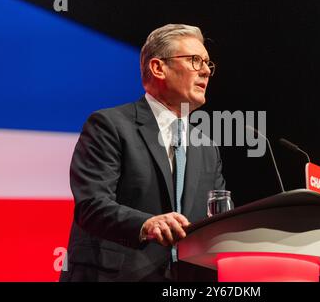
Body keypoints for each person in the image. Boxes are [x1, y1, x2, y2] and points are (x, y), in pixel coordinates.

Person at [60, 24, 225, 282]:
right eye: (195, 60)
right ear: (158, 67)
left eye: (207, 63)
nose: (205, 71)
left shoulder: (207, 147)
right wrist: (146, 224)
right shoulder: (109, 125)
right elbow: (91, 206)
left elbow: (217, 218)